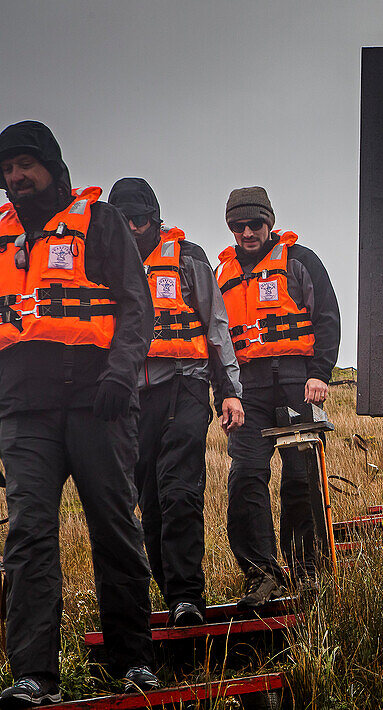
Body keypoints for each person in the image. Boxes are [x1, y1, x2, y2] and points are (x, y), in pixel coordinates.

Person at [0, 121, 158, 707]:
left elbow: (135, 305)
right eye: (7, 169)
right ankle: (34, 677)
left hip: (99, 403)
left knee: (114, 527)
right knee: (28, 537)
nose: (15, 178)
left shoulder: (98, 221)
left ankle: (133, 661)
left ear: (51, 165)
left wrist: (120, 377)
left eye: (25, 165)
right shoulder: (0, 236)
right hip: (23, 411)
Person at [108, 177, 245, 627]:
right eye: (123, 221)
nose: (132, 229)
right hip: (132, 398)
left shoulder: (188, 260)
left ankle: (188, 595)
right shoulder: (101, 264)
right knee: (148, 501)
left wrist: (229, 394)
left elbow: (217, 326)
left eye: (141, 220)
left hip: (185, 387)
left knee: (179, 492)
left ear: (155, 219)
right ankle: (172, 597)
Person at [216, 186, 340, 607]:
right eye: (239, 226)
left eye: (255, 224)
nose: (247, 232)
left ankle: (308, 572)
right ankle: (262, 574)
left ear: (269, 222)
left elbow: (326, 316)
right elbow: (217, 339)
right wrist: (224, 393)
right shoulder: (223, 274)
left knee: (301, 479)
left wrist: (320, 374)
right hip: (246, 388)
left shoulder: (300, 261)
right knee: (246, 476)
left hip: (297, 380)